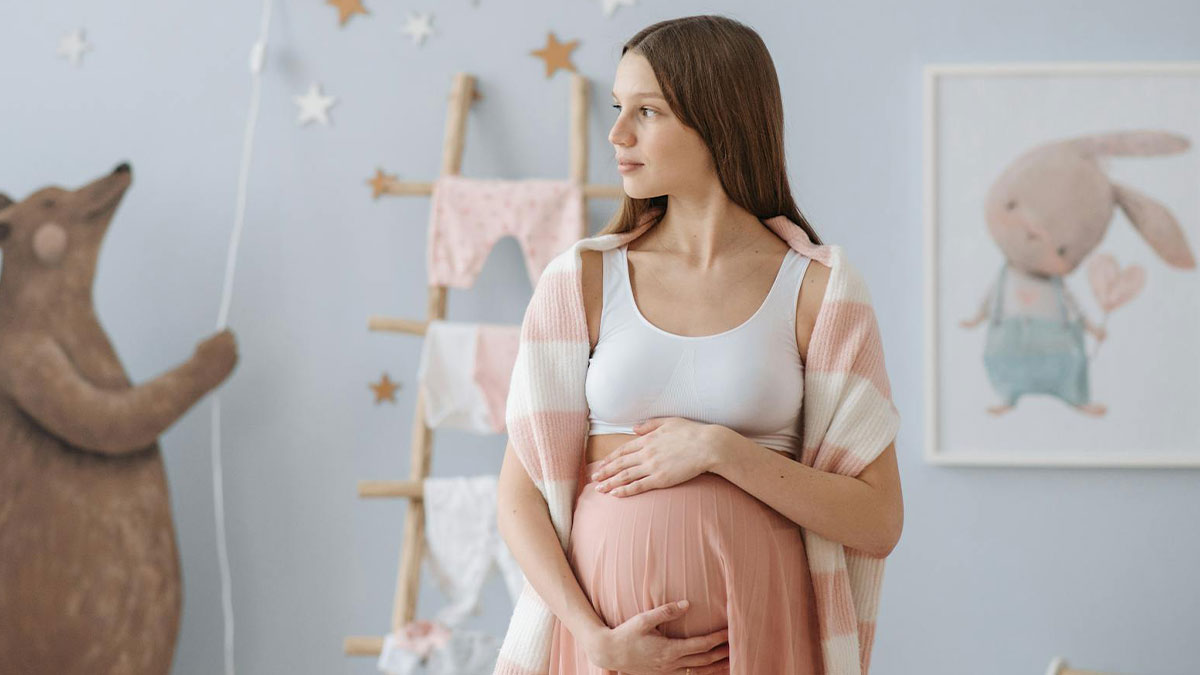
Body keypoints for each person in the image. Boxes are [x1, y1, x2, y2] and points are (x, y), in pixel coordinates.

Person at [496, 15, 903, 675]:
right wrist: (593, 638)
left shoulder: (818, 290)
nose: (617, 134)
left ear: (720, 118)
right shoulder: (583, 280)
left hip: (762, 638)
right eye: (619, 108)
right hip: (602, 649)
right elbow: (519, 498)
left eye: (647, 111)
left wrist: (722, 450)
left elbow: (878, 520)